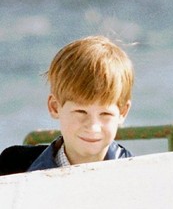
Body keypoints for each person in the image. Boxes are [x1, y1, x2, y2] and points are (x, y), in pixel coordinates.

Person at [0, 36, 134, 174]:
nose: (93, 127)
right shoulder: (12, 169)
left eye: (105, 114)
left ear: (123, 112)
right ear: (54, 107)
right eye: (81, 112)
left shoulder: (137, 176)